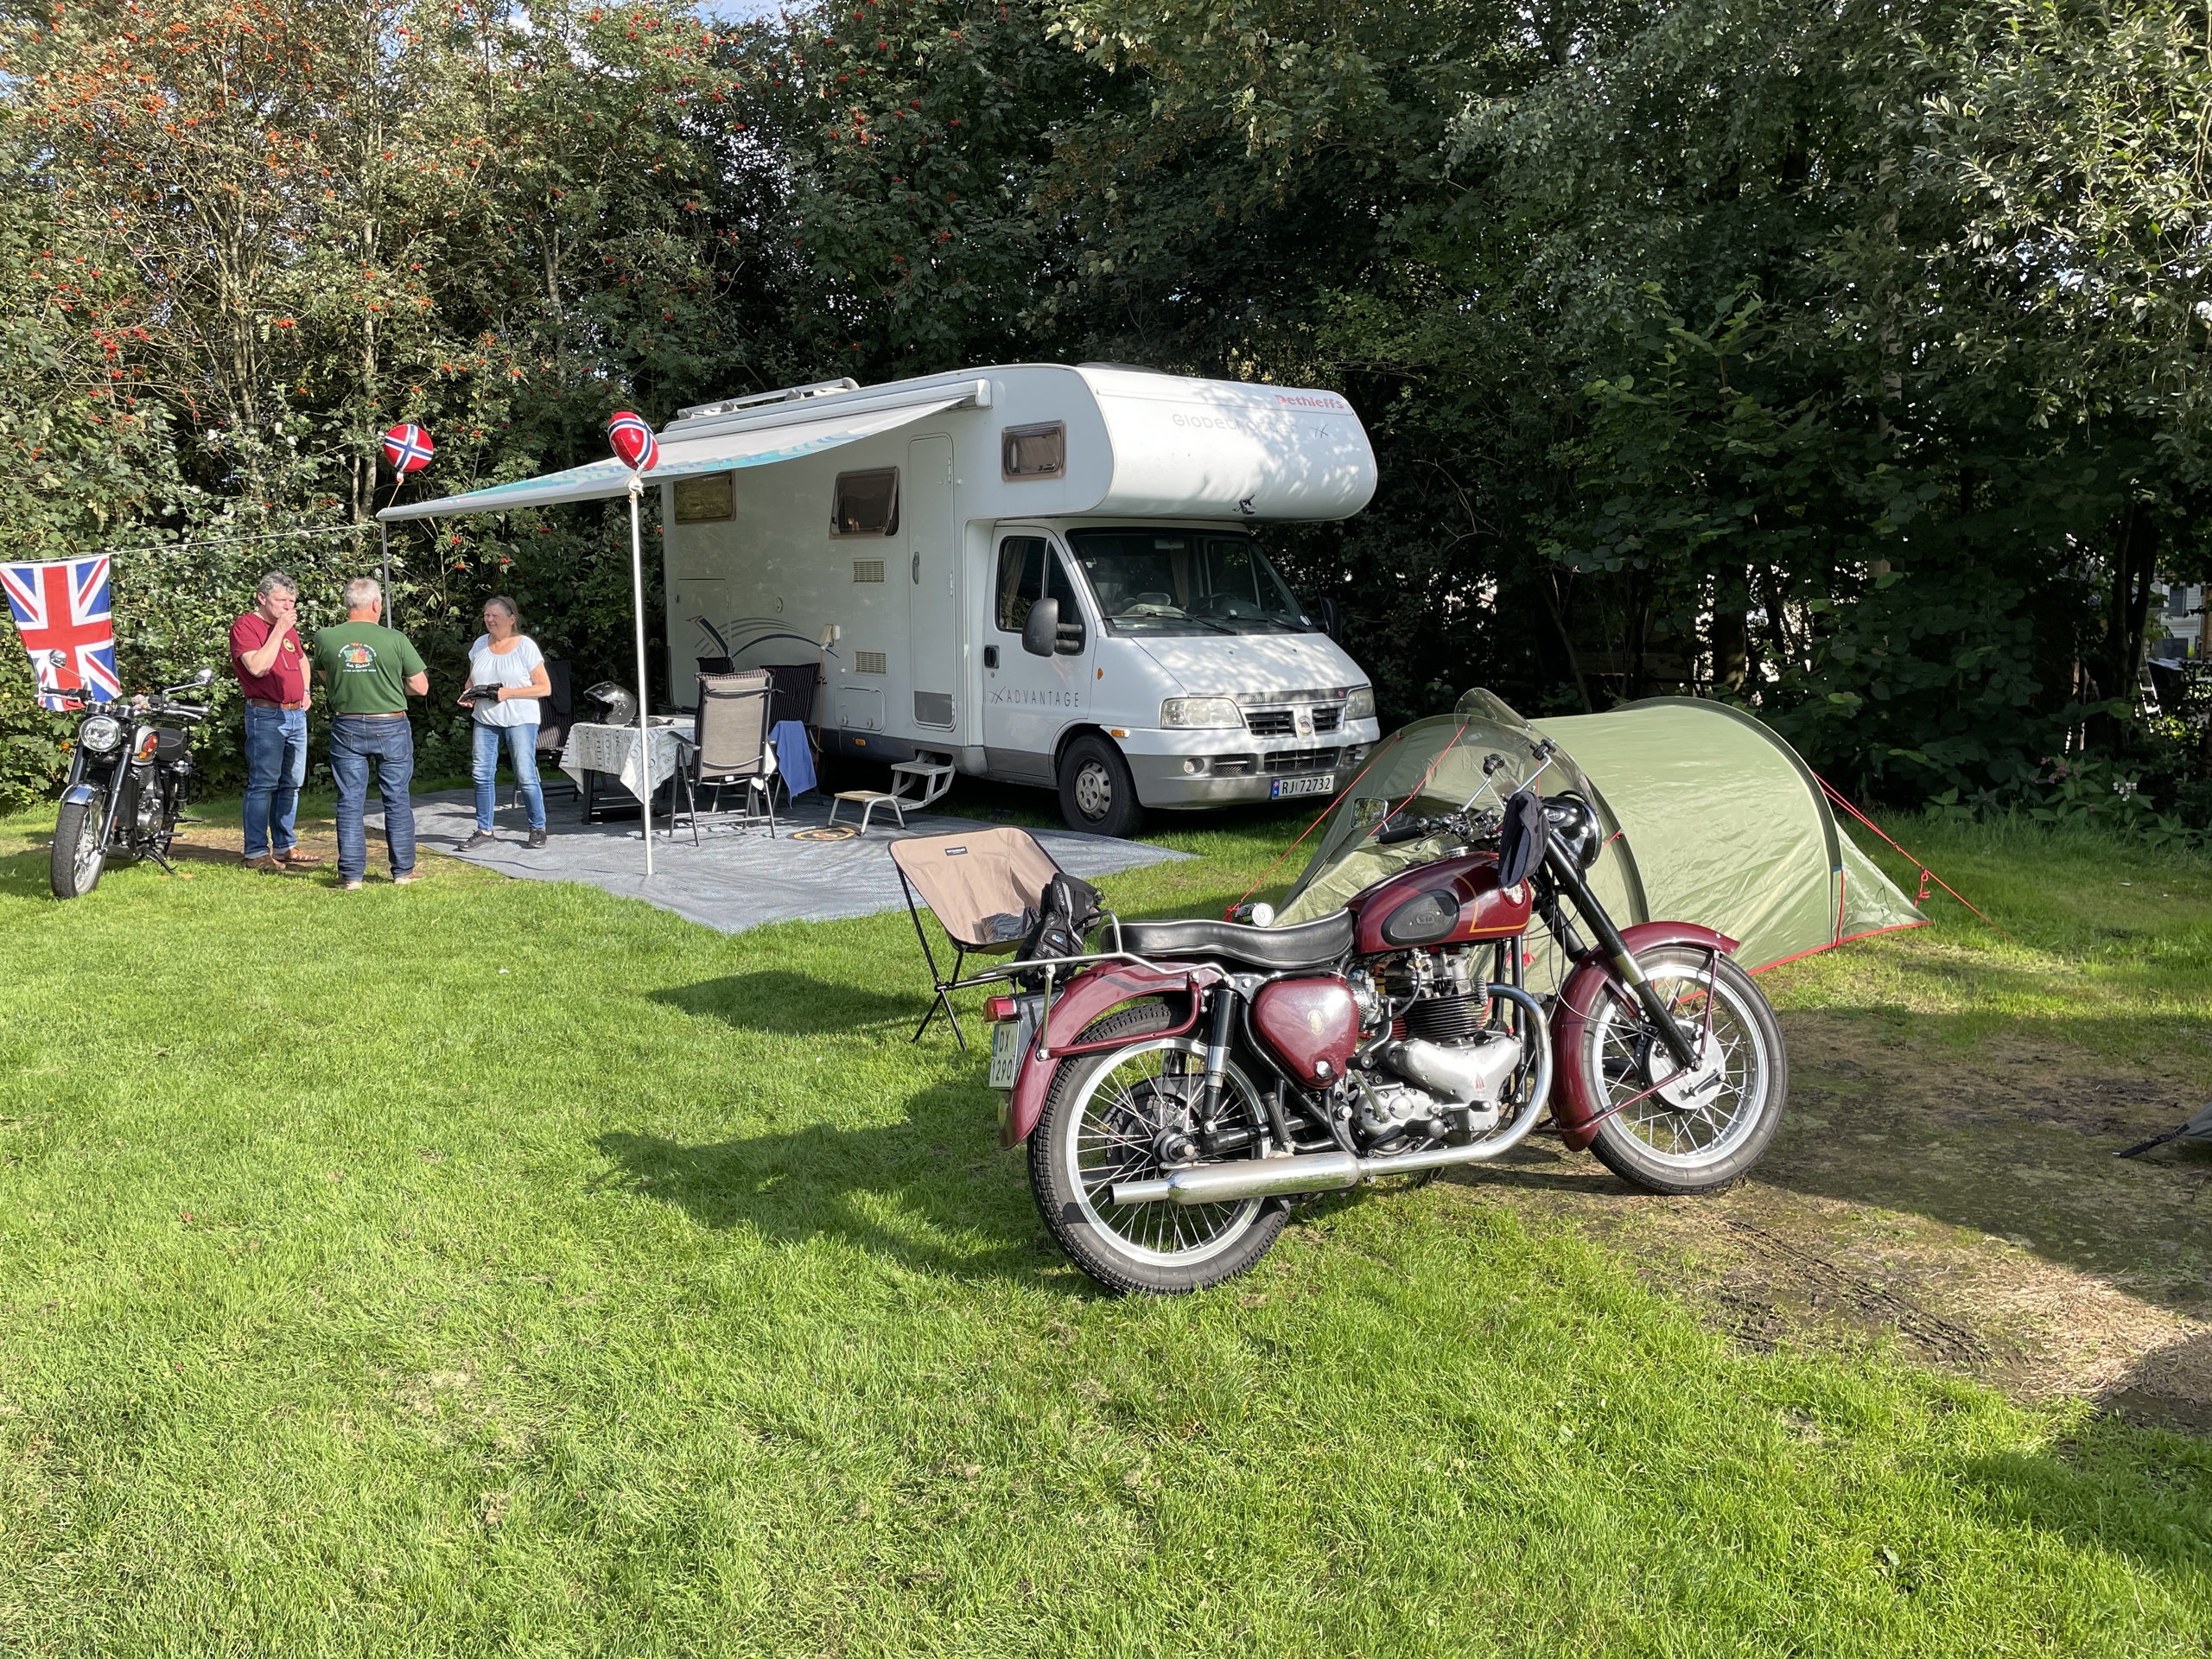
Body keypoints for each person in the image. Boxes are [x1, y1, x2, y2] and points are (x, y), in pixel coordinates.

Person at [313, 576, 428, 891]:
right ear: (377, 604)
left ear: (347, 604)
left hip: (347, 724)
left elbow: (326, 676)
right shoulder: (395, 638)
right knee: (396, 798)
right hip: (391, 724)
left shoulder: (325, 637)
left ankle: (351, 876)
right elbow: (420, 686)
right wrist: (392, 685)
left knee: (350, 800)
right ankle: (403, 871)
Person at [228, 572, 320, 872]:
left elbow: (302, 660)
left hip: (295, 714)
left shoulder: (289, 629)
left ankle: (284, 846)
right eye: (282, 600)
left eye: (292, 601)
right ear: (262, 598)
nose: (288, 606)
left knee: (291, 783)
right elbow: (257, 667)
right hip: (266, 714)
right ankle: (255, 852)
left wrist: (305, 691)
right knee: (264, 783)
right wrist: (279, 630)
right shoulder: (246, 626)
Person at [460, 595, 551, 850]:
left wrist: (508, 693)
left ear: (511, 619)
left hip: (520, 720)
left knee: (525, 774)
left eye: (495, 616)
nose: (489, 620)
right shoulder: (480, 644)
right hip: (486, 719)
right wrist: (469, 694)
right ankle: (484, 830)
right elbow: (472, 679)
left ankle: (538, 828)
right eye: (486, 615)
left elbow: (544, 688)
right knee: (481, 774)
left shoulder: (525, 646)